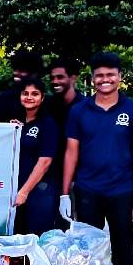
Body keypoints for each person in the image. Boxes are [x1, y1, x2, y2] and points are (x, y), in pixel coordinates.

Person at [60, 51, 133, 265]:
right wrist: (65, 193)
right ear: (93, 78)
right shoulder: (80, 111)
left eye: (111, 75)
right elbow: (71, 152)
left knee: (123, 252)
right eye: (99, 75)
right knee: (86, 254)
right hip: (88, 191)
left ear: (120, 78)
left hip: (122, 193)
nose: (105, 80)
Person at [10, 77, 59, 236]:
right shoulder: (17, 122)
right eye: (25, 93)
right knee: (17, 236)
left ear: (42, 97)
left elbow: (44, 162)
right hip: (17, 189)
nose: (29, 97)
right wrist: (10, 131)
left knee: (36, 238)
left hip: (39, 192)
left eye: (35, 94)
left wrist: (24, 191)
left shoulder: (48, 123)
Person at [44, 57, 86, 230]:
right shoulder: (46, 104)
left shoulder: (85, 107)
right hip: (49, 176)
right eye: (52, 77)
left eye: (60, 77)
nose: (55, 81)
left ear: (73, 78)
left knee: (75, 228)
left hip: (78, 180)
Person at [0, 51, 44, 122]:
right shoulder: (5, 98)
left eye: (22, 70)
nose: (16, 73)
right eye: (15, 69)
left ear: (34, 74)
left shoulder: (46, 102)